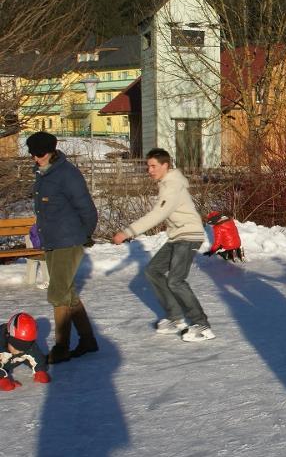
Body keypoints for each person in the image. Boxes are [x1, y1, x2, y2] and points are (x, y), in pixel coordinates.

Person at [112, 148, 214, 342]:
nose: (149, 170)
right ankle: (176, 318)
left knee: (176, 280)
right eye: (148, 166)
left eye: (153, 166)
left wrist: (127, 232)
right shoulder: (167, 184)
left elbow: (157, 215)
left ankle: (202, 325)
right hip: (178, 236)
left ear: (165, 165)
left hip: (189, 235)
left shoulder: (172, 185)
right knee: (153, 271)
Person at [28, 131, 99, 364]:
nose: (35, 158)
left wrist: (85, 234)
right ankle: (88, 341)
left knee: (58, 293)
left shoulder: (67, 174)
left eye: (39, 153)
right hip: (52, 240)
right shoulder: (43, 173)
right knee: (67, 292)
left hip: (68, 240)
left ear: (51, 151)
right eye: (32, 153)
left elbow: (87, 208)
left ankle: (61, 347)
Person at [1, 312, 51, 391]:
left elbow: (36, 356)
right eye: (15, 347)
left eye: (22, 348)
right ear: (8, 336)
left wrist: (40, 371)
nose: (18, 352)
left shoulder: (29, 346)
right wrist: (2, 380)